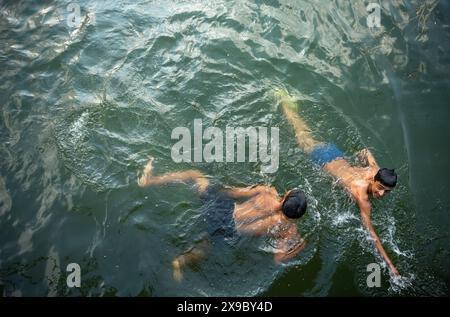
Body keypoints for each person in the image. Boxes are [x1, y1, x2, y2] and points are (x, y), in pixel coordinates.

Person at [275, 88, 400, 276]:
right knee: (299, 132)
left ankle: (290, 104)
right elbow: (371, 234)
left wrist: (357, 162)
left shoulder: (376, 171)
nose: (381, 194)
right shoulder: (361, 195)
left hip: (336, 154)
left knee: (305, 131)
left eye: (386, 191)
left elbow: (365, 152)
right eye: (380, 188)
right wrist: (390, 265)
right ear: (375, 181)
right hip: (321, 158)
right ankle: (284, 101)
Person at [137, 157, 308, 281]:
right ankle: (180, 262)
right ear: (296, 216)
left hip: (224, 208)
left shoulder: (266, 191)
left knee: (196, 175)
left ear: (286, 196)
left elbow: (232, 192)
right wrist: (299, 247)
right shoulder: (287, 229)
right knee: (206, 246)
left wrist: (214, 192)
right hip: (229, 229)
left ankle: (151, 180)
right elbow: (278, 259)